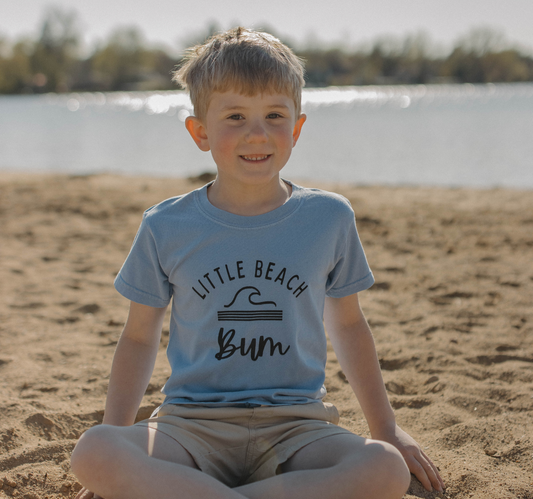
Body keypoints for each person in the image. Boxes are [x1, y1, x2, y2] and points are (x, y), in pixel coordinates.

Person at [71, 27, 445, 499]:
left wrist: (386, 429)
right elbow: (139, 336)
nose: (257, 133)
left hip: (298, 427)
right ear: (200, 132)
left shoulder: (328, 217)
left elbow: (349, 326)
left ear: (297, 127)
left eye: (273, 115)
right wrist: (121, 445)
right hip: (189, 429)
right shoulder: (166, 225)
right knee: (94, 451)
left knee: (385, 468)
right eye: (235, 116)